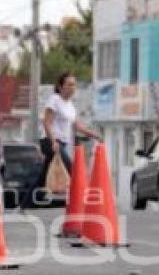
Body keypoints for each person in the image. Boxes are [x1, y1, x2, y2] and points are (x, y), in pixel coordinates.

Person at [18, 72, 102, 211]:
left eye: (74, 85)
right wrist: (53, 142)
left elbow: (77, 126)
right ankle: (86, 204)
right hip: (50, 141)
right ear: (60, 86)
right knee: (73, 169)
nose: (72, 87)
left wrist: (95, 135)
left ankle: (24, 206)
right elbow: (46, 122)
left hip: (61, 143)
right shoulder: (54, 100)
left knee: (42, 178)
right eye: (69, 84)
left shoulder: (70, 106)